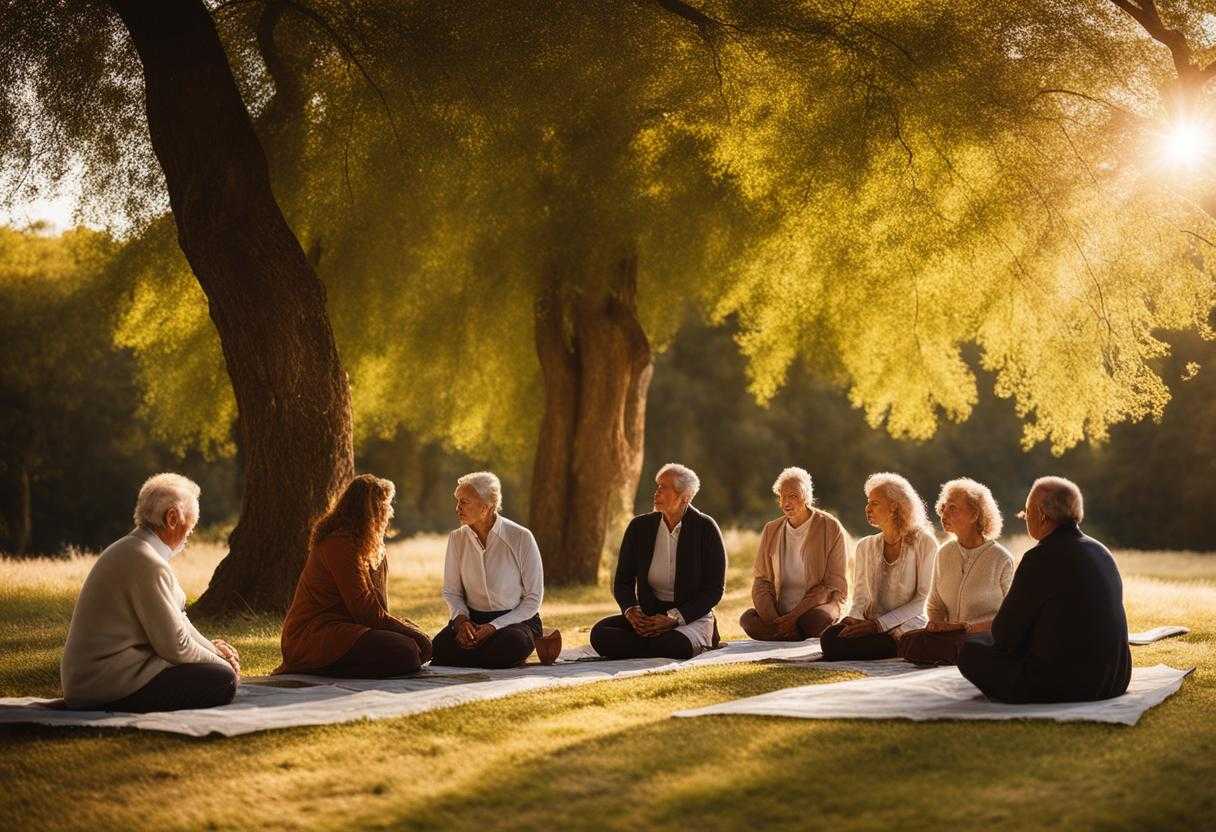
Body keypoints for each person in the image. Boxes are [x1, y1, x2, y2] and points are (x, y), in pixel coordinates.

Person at [60, 473, 240, 712]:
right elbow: (176, 646)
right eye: (192, 524)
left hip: (100, 679)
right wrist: (224, 665)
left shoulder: (137, 550)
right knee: (220, 680)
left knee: (215, 671)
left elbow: (179, 622)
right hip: (102, 685)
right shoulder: (146, 562)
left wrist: (214, 650)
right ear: (173, 518)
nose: (191, 533)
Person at [958, 477, 1132, 703]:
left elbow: (1004, 635)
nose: (1024, 516)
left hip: (1065, 684)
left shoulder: (1039, 558)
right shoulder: (1100, 550)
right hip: (1115, 679)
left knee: (970, 651)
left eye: (1026, 511)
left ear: (1041, 515)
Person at [276, 475, 432, 678]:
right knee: (406, 651)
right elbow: (366, 612)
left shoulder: (369, 547)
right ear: (372, 511)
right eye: (386, 505)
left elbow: (379, 609)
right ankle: (317, 668)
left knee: (413, 645)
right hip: (316, 635)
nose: (390, 512)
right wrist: (412, 635)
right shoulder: (340, 545)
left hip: (348, 631)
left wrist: (410, 632)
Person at [590, 463, 726, 660]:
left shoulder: (705, 528)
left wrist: (673, 618)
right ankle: (651, 645)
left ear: (685, 496)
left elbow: (714, 590)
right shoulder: (639, 527)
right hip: (649, 617)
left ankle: (653, 646)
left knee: (673, 644)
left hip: (689, 619)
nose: (657, 492)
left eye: (664, 488)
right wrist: (631, 611)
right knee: (600, 633)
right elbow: (623, 581)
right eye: (657, 486)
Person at [430, 471, 561, 668]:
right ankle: (483, 654)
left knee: (509, 646)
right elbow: (452, 591)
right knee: (438, 648)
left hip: (516, 621)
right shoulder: (456, 539)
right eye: (457, 501)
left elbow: (533, 600)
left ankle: (483, 654)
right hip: (472, 621)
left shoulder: (521, 537)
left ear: (485, 507)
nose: (457, 508)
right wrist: (462, 622)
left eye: (464, 502)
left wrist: (493, 627)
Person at [820, 472, 936, 661]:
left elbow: (924, 600)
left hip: (905, 625)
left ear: (893, 507)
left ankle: (893, 645)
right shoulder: (865, 545)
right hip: (870, 624)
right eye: (868, 502)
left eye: (874, 503)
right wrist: (854, 621)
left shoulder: (924, 542)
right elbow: (860, 597)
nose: (867, 508)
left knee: (875, 643)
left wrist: (880, 625)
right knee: (830, 637)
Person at [897, 478, 1014, 665]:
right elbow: (935, 604)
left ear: (974, 514)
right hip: (950, 637)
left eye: (952, 508)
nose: (944, 514)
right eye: (943, 507)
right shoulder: (944, 553)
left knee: (962, 646)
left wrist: (964, 627)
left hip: (984, 636)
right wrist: (937, 625)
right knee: (908, 641)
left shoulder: (1001, 558)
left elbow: (1010, 617)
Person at [739, 467, 848, 641]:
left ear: (806, 497)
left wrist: (793, 617)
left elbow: (830, 585)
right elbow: (761, 582)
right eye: (782, 496)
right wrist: (775, 619)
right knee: (747, 619)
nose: (787, 502)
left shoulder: (830, 527)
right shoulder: (771, 530)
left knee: (818, 620)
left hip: (817, 607)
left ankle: (783, 632)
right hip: (780, 612)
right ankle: (787, 631)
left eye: (793, 496)